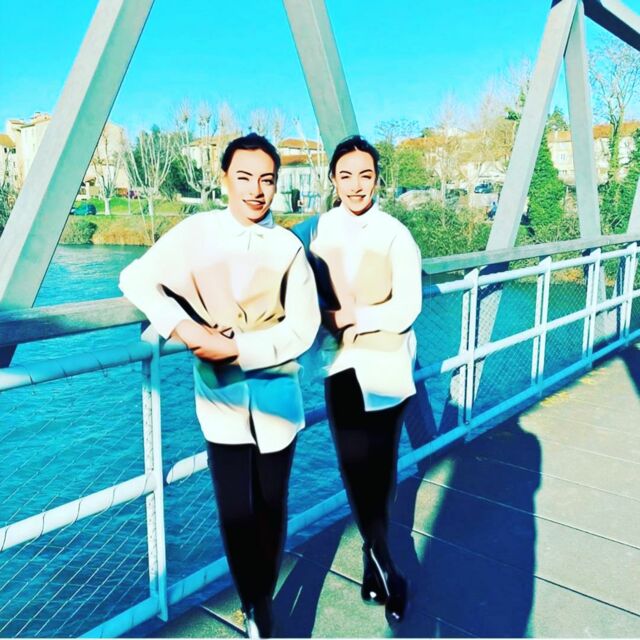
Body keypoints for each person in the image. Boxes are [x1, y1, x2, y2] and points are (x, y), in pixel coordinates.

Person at [119, 133, 320, 638]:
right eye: (244, 177)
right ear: (224, 177)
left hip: (277, 394)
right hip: (219, 396)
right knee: (234, 510)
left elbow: (304, 328)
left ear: (276, 184)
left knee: (271, 505)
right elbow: (135, 279)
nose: (256, 190)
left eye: (267, 180)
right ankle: (254, 606)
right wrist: (187, 330)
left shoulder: (288, 247)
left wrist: (237, 349)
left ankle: (260, 601)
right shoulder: (197, 233)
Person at [294, 135, 422, 626]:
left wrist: (351, 317)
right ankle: (387, 565)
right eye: (345, 175)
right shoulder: (312, 230)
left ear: (377, 179)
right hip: (339, 366)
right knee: (354, 468)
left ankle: (376, 562)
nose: (355, 185)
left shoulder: (395, 235)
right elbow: (269, 262)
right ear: (332, 179)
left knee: (381, 470)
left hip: (386, 367)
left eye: (364, 175)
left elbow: (407, 306)